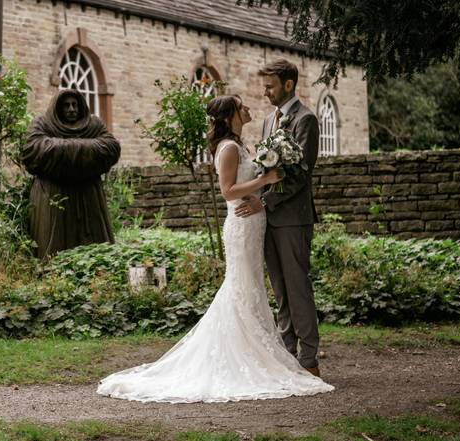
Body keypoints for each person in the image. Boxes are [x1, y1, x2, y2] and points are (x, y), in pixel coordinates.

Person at [96, 94, 333, 402]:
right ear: (229, 116)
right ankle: (243, 356)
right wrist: (269, 178)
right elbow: (228, 191)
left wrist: (266, 183)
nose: (247, 109)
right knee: (241, 288)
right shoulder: (229, 148)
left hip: (253, 224)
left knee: (252, 289)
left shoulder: (242, 145)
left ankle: (255, 352)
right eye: (241, 107)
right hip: (241, 225)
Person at [234, 59, 323, 377]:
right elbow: (265, 168)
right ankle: (288, 354)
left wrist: (265, 201)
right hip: (267, 218)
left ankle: (310, 358)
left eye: (270, 85)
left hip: (293, 218)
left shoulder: (306, 120)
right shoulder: (270, 120)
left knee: (298, 287)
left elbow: (300, 175)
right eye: (264, 85)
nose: (265, 91)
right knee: (280, 288)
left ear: (288, 84)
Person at [21, 89, 121, 260]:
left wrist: (63, 151)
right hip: (53, 194)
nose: (71, 109)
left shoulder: (93, 125)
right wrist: (86, 151)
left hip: (89, 196)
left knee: (95, 252)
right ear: (57, 107)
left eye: (75, 105)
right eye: (66, 105)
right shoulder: (42, 124)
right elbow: (34, 150)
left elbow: (111, 147)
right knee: (53, 248)